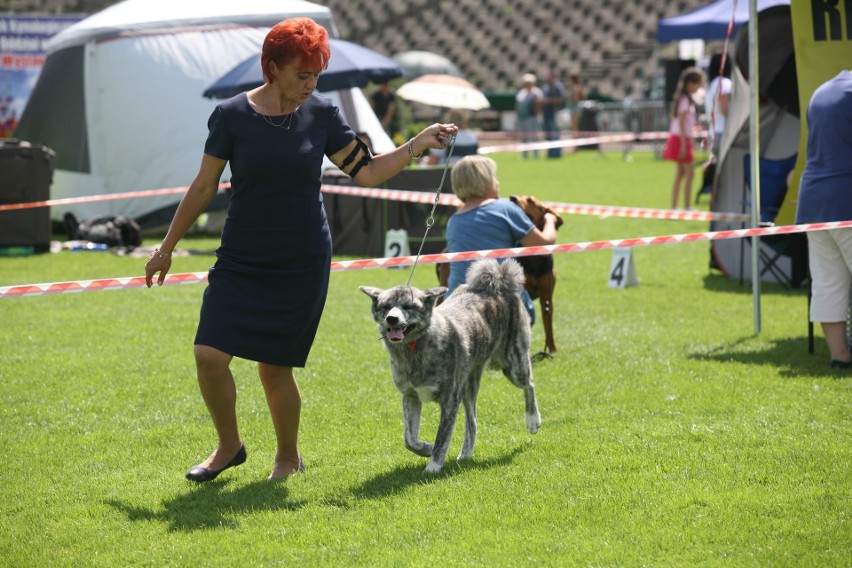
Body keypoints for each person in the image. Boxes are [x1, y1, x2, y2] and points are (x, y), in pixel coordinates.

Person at [144, 17, 458, 482]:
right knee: (209, 356)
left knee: (274, 369)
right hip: (241, 258)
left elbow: (367, 171)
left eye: (316, 75)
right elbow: (205, 185)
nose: (311, 85)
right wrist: (167, 246)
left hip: (302, 260)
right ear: (272, 68)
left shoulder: (322, 113)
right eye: (301, 74)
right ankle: (229, 446)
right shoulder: (231, 115)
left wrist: (417, 143)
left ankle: (287, 457)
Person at [444, 155, 558, 323]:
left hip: (456, 310)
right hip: (503, 307)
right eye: (494, 178)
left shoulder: (454, 220)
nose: (498, 183)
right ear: (485, 181)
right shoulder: (505, 208)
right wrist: (550, 220)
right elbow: (543, 246)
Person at [795, 70, 852, 370]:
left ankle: (839, 356)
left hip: (813, 203)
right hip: (845, 199)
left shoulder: (821, 92)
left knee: (828, 283)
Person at [662, 66, 705, 210]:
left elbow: (684, 122)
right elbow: (681, 122)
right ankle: (686, 206)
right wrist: (684, 144)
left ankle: (675, 207)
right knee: (689, 173)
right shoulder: (685, 100)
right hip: (681, 139)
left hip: (680, 138)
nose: (699, 87)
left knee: (680, 174)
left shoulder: (684, 99)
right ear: (691, 83)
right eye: (698, 83)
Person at [706, 52, 732, 158]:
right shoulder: (725, 83)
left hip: (713, 132)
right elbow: (724, 109)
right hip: (723, 132)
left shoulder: (711, 84)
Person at [515, 73, 543, 159]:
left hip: (532, 118)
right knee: (523, 138)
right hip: (522, 118)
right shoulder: (521, 93)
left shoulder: (537, 92)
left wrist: (537, 115)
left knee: (534, 137)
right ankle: (524, 155)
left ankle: (536, 155)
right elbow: (517, 105)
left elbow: (539, 105)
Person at [541, 70, 566, 158]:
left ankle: (556, 153)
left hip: (555, 114)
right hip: (546, 114)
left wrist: (548, 100)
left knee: (555, 135)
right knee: (548, 135)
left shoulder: (558, 87)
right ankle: (550, 153)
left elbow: (561, 99)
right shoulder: (546, 87)